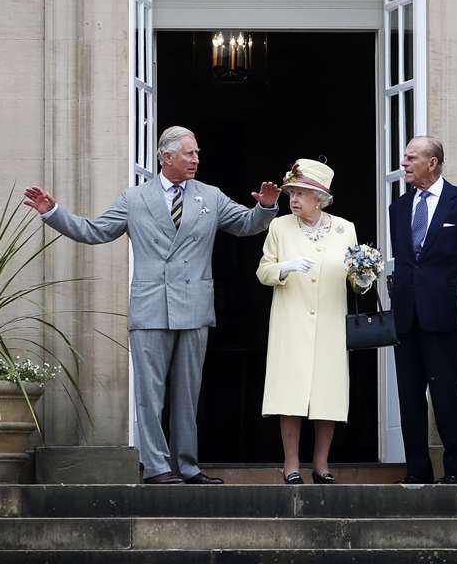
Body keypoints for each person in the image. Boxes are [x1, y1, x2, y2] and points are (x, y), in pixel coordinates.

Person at [22, 126, 280, 485]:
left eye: (197, 153)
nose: (196, 160)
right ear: (166, 157)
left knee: (188, 395)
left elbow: (246, 225)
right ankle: (157, 467)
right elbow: (95, 231)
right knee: (150, 394)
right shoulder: (135, 199)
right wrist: (53, 213)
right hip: (151, 307)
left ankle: (187, 467)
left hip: (193, 306)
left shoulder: (210, 196)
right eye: (189, 154)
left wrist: (265, 207)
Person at [256, 159, 358, 485]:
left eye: (301, 193)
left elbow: (356, 278)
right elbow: (263, 272)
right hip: (291, 321)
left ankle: (322, 465)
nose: (294, 199)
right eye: (292, 193)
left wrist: (365, 276)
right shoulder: (279, 227)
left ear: (320, 198)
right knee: (291, 393)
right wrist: (285, 267)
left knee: (328, 395)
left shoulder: (346, 228)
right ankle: (291, 464)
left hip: (330, 320)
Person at [388, 135, 457, 484]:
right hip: (406, 317)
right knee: (410, 401)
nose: (404, 163)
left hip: (443, 316)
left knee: (446, 398)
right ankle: (417, 473)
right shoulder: (398, 208)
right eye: (404, 157)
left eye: (412, 158)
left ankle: (456, 474)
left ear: (433, 163)